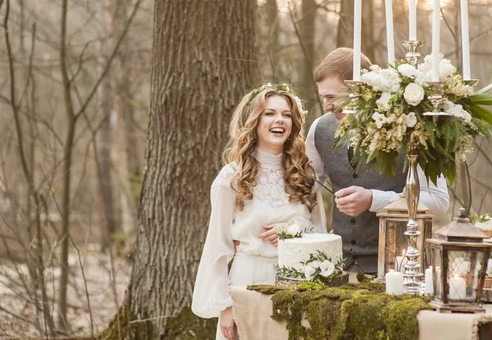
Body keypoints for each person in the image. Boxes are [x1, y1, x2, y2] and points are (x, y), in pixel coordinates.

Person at [192, 84, 325, 340]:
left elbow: (320, 234)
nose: (279, 120)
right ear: (255, 121)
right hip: (247, 282)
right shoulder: (232, 177)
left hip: (297, 287)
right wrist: (225, 307)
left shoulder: (306, 175)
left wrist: (297, 230)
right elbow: (216, 246)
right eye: (269, 113)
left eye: (286, 114)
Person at [306, 47, 450, 275]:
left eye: (331, 97)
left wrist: (374, 199)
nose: (327, 105)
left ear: (360, 88)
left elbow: (439, 201)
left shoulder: (411, 128)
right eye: (323, 97)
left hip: (399, 269)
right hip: (336, 269)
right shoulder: (320, 129)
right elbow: (303, 187)